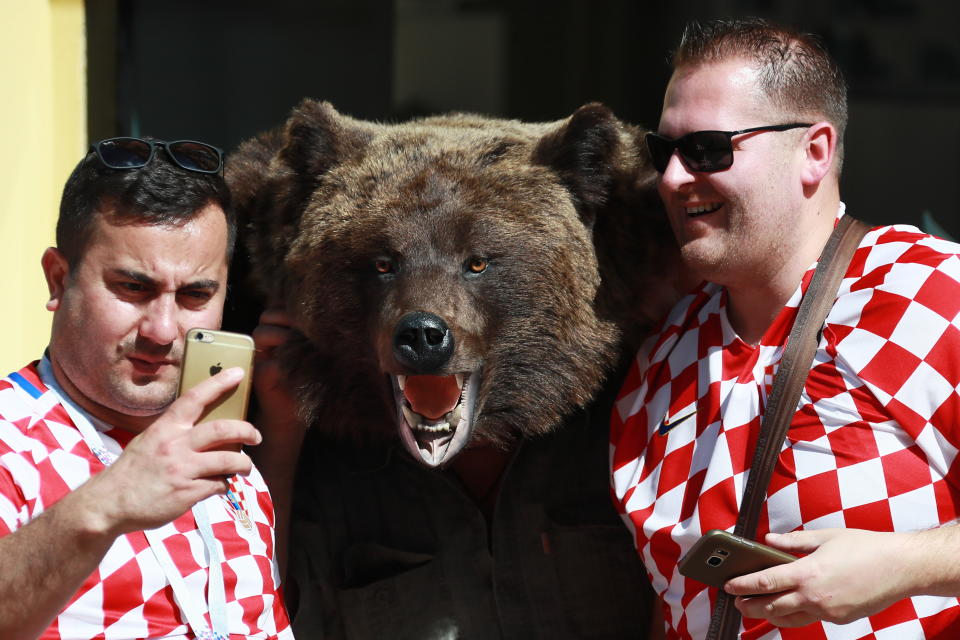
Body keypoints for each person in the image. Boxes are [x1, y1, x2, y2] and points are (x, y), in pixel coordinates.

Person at [610, 17, 960, 640]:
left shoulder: (931, 293)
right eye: (663, 152)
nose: (671, 179)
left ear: (815, 152)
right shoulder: (659, 358)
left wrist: (907, 565)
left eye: (709, 148)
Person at [0, 137, 293, 639]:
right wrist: (104, 504)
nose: (162, 330)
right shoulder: (12, 439)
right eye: (133, 288)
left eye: (196, 294)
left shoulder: (215, 443)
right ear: (57, 279)